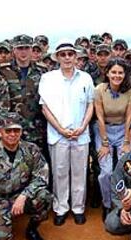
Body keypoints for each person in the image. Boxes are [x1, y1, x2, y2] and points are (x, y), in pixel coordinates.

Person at [39, 40, 94, 226]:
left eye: (70, 54)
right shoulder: (48, 78)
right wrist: (60, 129)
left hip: (80, 134)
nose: (67, 58)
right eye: (63, 55)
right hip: (57, 134)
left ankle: (78, 208)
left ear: (76, 56)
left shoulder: (86, 78)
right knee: (60, 172)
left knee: (80, 173)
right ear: (58, 58)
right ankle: (61, 208)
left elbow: (90, 105)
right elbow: (45, 108)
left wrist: (83, 126)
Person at [93, 57, 131, 219]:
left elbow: (129, 116)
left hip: (123, 130)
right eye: (114, 72)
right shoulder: (100, 90)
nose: (117, 75)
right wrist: (104, 143)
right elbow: (100, 117)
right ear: (107, 73)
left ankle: (124, 203)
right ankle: (107, 204)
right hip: (104, 130)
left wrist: (126, 141)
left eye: (120, 73)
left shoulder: (130, 90)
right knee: (106, 172)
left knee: (126, 167)